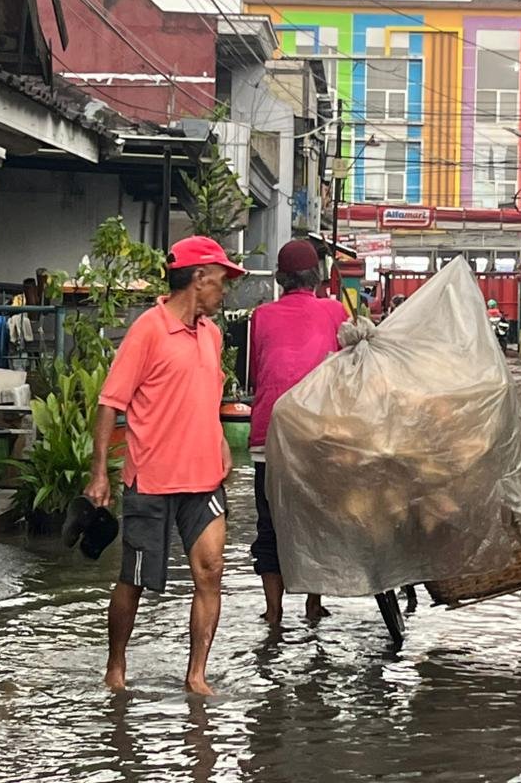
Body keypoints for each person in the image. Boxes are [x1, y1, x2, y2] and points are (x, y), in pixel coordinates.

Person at [85, 235, 244, 695]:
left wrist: (220, 443)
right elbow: (109, 403)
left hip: (204, 478)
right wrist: (100, 473)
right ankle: (116, 665)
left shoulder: (211, 335)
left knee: (211, 569)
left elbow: (206, 397)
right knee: (134, 579)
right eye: (220, 280)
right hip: (151, 478)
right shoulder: (148, 330)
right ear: (198, 278)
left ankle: (196, 675)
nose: (224, 290)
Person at [249, 239, 348, 626]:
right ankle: (313, 604)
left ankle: (273, 613)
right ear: (317, 277)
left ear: (280, 278)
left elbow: (258, 374)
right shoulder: (334, 311)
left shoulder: (261, 315)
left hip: (268, 436)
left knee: (269, 526)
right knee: (316, 522)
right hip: (317, 437)